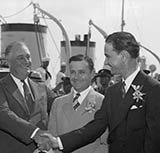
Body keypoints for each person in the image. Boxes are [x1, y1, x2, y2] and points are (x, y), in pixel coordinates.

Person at [43, 32, 160, 153]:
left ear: (124, 56)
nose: (106, 62)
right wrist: (59, 142)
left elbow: (155, 140)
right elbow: (96, 126)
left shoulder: (153, 89)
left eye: (108, 56)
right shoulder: (112, 92)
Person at [48, 54, 108, 153]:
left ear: (92, 74)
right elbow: (52, 139)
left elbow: (105, 143)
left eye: (81, 72)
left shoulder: (102, 102)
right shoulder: (58, 103)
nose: (76, 77)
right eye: (73, 72)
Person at [0, 41, 51, 153]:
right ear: (8, 62)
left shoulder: (42, 88)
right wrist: (34, 133)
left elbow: (61, 105)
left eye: (28, 57)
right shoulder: (1, 87)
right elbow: (4, 114)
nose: (26, 61)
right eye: (20, 58)